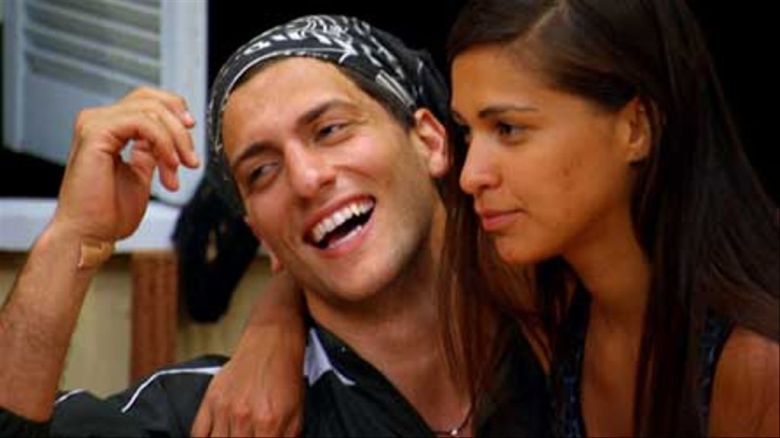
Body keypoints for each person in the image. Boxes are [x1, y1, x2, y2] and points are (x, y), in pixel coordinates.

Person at [195, 1, 779, 437]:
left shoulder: (752, 361)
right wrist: (273, 330)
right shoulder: (551, 293)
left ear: (636, 127)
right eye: (470, 131)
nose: (471, 173)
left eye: (509, 129)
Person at [0, 14, 549, 437]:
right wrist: (73, 233)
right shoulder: (226, 419)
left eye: (331, 130)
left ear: (429, 140)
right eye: (262, 171)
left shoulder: (571, 349)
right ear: (260, 233)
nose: (306, 179)